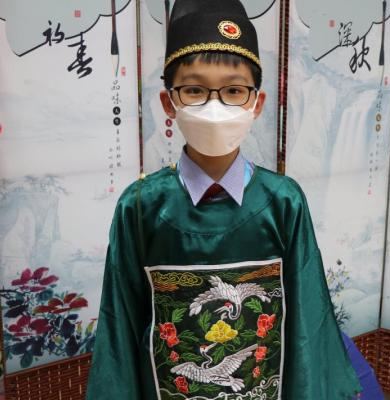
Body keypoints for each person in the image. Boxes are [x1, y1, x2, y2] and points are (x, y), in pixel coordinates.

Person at [86, 0, 365, 398]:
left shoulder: (282, 202)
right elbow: (120, 327)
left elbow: (307, 324)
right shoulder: (141, 206)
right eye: (194, 90)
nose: (214, 106)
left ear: (256, 103)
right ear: (169, 102)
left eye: (234, 90)